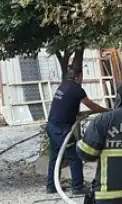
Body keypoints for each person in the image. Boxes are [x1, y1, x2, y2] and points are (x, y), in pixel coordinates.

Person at [46, 67, 108, 195]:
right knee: (75, 156)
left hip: (52, 126)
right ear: (77, 77)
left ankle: (51, 186)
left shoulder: (63, 86)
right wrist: (108, 111)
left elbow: (65, 106)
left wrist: (78, 114)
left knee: (55, 156)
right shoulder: (77, 90)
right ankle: (77, 187)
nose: (82, 79)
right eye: (81, 76)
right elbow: (93, 106)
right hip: (62, 130)